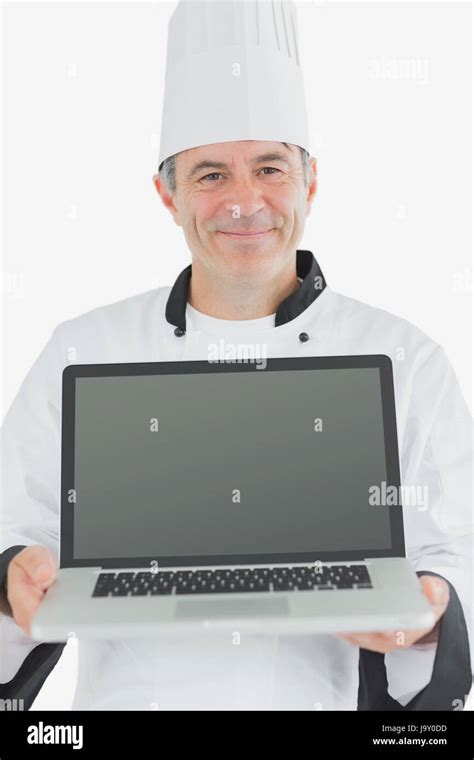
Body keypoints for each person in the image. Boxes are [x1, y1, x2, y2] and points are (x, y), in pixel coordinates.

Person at [1, 0, 472, 711]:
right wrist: (16, 577)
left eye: (271, 168)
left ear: (311, 182)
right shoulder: (82, 348)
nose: (245, 201)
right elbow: (16, 523)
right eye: (211, 174)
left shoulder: (408, 359)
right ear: (168, 193)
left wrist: (432, 606)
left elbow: (453, 551)